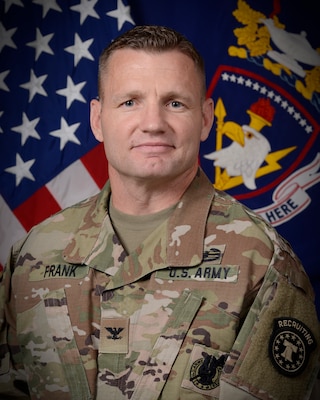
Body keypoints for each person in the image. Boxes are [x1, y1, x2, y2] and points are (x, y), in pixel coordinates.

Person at [0, 25, 319, 400]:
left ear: (204, 119)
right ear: (97, 120)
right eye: (130, 102)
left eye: (175, 103)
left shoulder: (262, 262)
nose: (152, 123)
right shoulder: (35, 253)